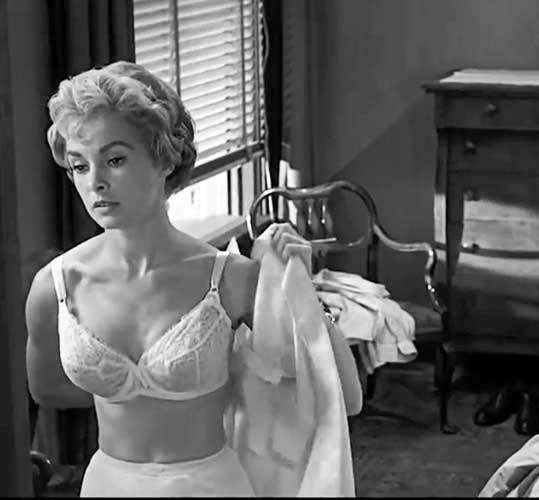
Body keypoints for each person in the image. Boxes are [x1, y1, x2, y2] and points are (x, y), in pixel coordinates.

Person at [25, 60, 362, 497]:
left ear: (164, 159)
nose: (96, 183)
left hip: (210, 485)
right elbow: (47, 389)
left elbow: (345, 396)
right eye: (80, 166)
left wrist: (301, 294)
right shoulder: (56, 287)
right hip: (108, 485)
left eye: (115, 159)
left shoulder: (228, 279)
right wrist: (131, 391)